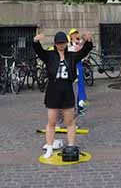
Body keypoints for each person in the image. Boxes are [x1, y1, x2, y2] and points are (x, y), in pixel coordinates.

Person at [33, 31, 93, 159]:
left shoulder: (71, 56)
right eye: (59, 43)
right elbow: (39, 51)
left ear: (66, 43)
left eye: (63, 43)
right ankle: (49, 147)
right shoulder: (49, 55)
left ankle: (71, 145)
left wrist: (88, 41)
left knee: (70, 121)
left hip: (67, 89)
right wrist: (36, 41)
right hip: (53, 90)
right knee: (51, 121)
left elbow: (84, 52)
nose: (61, 45)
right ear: (55, 44)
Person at [68, 28, 87, 114]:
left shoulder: (79, 42)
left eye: (76, 33)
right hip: (71, 65)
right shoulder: (68, 44)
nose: (75, 35)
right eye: (73, 34)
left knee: (81, 84)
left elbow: (83, 50)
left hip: (78, 64)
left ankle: (81, 102)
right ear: (71, 36)